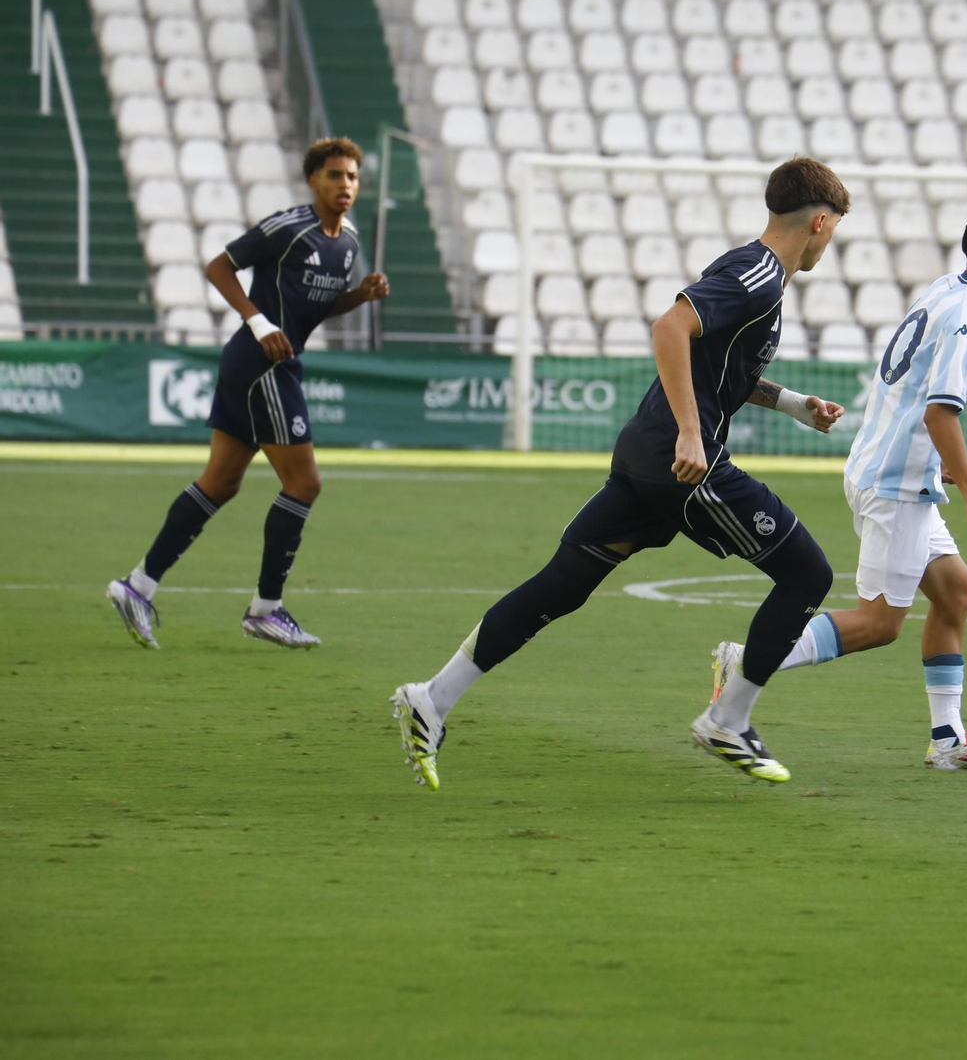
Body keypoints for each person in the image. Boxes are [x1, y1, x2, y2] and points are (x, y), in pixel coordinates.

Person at [389, 157, 851, 790]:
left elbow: (718, 367)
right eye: (834, 229)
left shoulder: (752, 269)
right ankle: (728, 720)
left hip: (645, 456)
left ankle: (431, 699)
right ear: (820, 222)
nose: (830, 242)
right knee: (807, 573)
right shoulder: (761, 276)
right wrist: (690, 431)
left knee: (561, 585)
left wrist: (794, 404)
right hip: (680, 462)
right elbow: (670, 328)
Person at [707, 204, 967, 771]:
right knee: (879, 623)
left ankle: (948, 740)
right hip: (896, 483)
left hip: (893, 468)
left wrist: (939, 464)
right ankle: (747, 660)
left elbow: (915, 391)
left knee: (955, 593)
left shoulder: (949, 290)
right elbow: (939, 412)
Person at [105, 137, 390, 650]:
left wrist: (358, 296)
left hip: (266, 363)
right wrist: (259, 323)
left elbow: (315, 307)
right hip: (262, 363)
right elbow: (219, 266)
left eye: (351, 176)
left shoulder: (347, 242)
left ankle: (137, 587)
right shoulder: (288, 227)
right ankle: (266, 610)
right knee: (304, 484)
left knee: (220, 482)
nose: (345, 184)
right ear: (313, 181)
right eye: (334, 175)